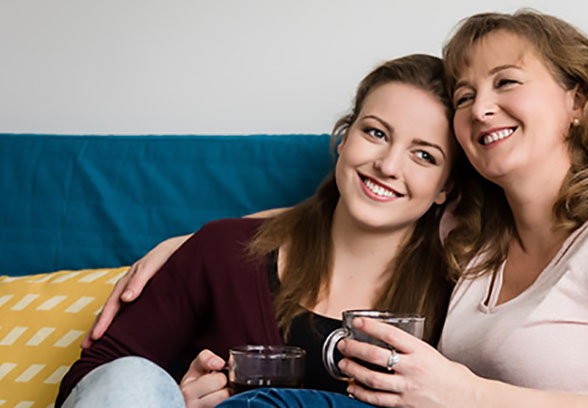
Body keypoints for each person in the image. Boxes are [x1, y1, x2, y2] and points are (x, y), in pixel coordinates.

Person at [88, 9, 588, 408]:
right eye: (468, 94)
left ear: (577, 99)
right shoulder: (477, 245)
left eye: (507, 82)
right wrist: (198, 242)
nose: (482, 108)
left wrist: (469, 395)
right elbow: (372, 197)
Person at [57, 53, 480, 408]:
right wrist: (175, 398)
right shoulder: (224, 251)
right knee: (133, 380)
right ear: (343, 138)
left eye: (423, 155)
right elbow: (93, 379)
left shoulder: (462, 295)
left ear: (447, 187)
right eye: (375, 133)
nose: (388, 166)